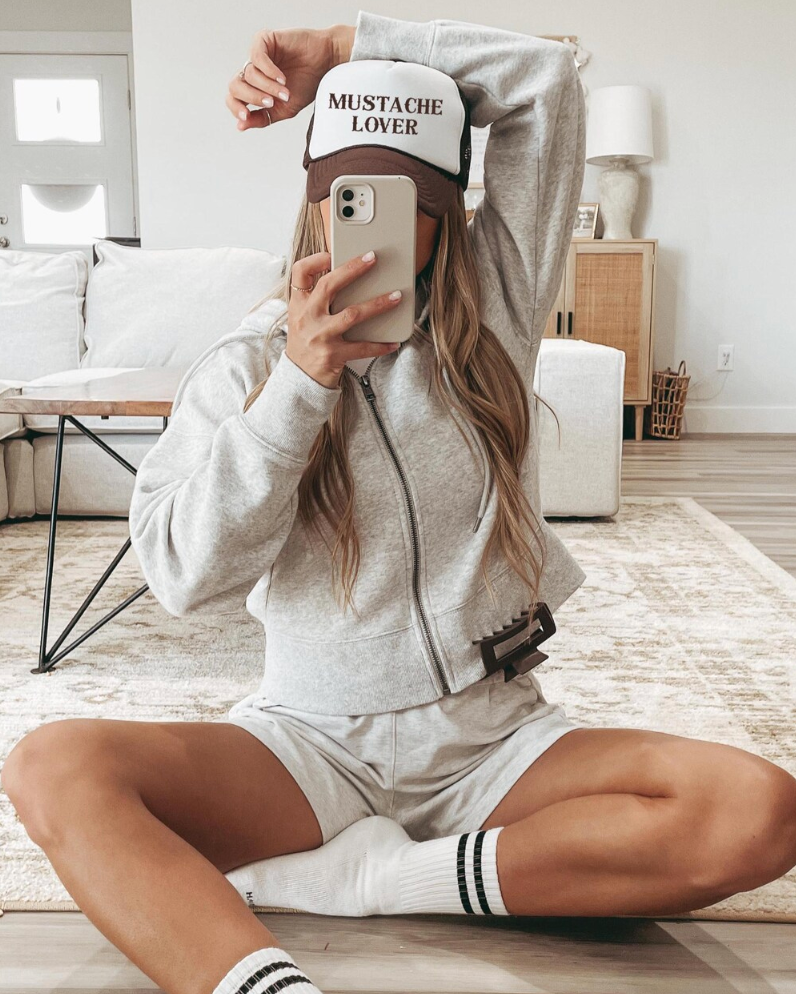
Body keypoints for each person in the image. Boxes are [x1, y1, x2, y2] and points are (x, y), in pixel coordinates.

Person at [4, 12, 796, 994]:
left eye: (413, 201)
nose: (381, 226)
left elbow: (546, 81)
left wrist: (343, 46)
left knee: (758, 808)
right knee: (51, 767)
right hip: (311, 744)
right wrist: (299, 388)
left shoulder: (495, 315)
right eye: (352, 196)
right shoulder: (245, 365)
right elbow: (181, 576)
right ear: (314, 203)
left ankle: (387, 879)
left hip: (494, 740)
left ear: (451, 210)